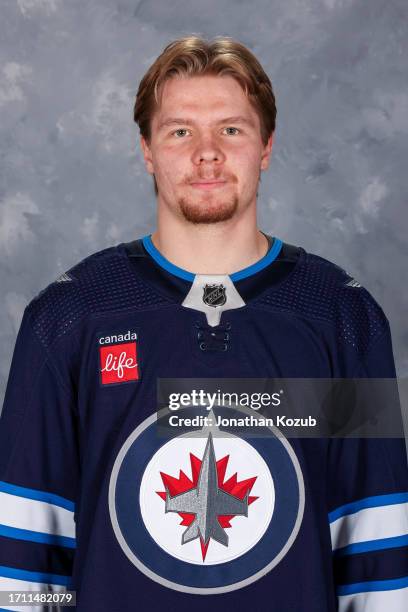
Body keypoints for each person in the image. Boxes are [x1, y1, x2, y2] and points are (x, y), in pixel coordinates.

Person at [0, 35, 407, 612]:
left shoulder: (342, 318)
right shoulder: (69, 318)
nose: (207, 153)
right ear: (147, 149)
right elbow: (22, 559)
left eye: (232, 129)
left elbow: (377, 554)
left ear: (266, 146)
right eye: (180, 130)